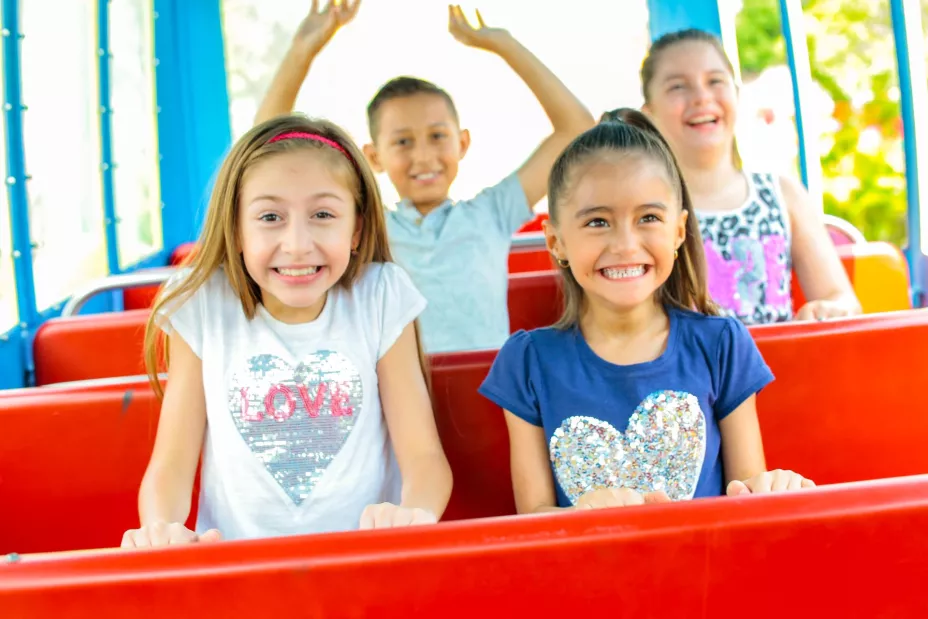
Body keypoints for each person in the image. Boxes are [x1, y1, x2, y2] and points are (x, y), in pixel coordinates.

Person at [121, 115, 452, 548]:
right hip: (236, 566)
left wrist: (413, 514)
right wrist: (161, 528)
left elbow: (424, 458)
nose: (297, 243)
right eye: (271, 216)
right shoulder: (202, 302)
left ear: (356, 229)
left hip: (364, 563)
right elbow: (172, 463)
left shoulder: (381, 296)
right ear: (236, 228)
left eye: (322, 214)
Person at [479, 112, 814, 513]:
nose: (625, 244)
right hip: (585, 573)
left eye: (649, 218)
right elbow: (534, 516)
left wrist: (774, 486)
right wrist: (581, 516)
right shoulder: (528, 362)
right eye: (598, 221)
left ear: (678, 231)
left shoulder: (721, 345)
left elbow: (745, 497)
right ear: (556, 241)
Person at [256, 2, 595, 352]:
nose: (423, 156)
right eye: (403, 142)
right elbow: (262, 151)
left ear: (462, 143)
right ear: (374, 156)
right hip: (397, 398)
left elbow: (576, 128)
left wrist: (503, 43)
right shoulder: (366, 229)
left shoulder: (492, 212)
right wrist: (302, 50)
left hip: (487, 397)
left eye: (437, 136)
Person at [603, 28, 861, 325]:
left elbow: (839, 297)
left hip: (782, 368)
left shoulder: (783, 194)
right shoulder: (641, 209)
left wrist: (830, 309)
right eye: (678, 87)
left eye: (715, 81)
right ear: (649, 112)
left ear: (737, 95)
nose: (701, 97)